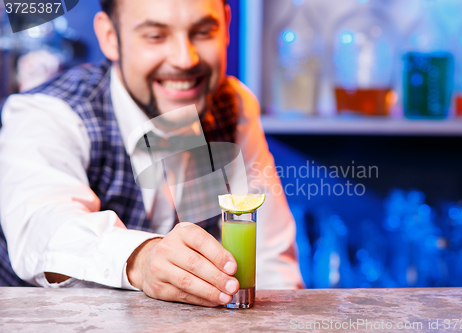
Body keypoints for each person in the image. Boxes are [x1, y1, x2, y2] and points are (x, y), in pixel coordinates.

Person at [0, 0, 303, 307]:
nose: (185, 59)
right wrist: (141, 260)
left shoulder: (232, 105)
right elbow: (44, 230)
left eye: (202, 32)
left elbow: (271, 261)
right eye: (155, 36)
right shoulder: (51, 111)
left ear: (225, 26)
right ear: (109, 37)